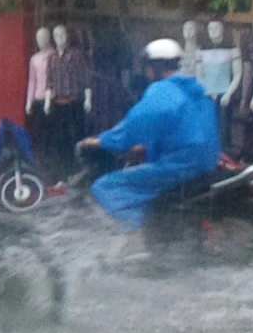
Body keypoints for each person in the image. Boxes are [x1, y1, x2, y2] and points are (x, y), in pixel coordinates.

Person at [77, 38, 220, 259]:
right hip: (201, 161)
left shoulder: (163, 91)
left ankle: (140, 238)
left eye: (148, 66)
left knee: (106, 187)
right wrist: (139, 148)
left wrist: (101, 141)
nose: (146, 71)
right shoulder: (193, 91)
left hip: (181, 165)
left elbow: (135, 125)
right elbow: (175, 131)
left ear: (155, 67)